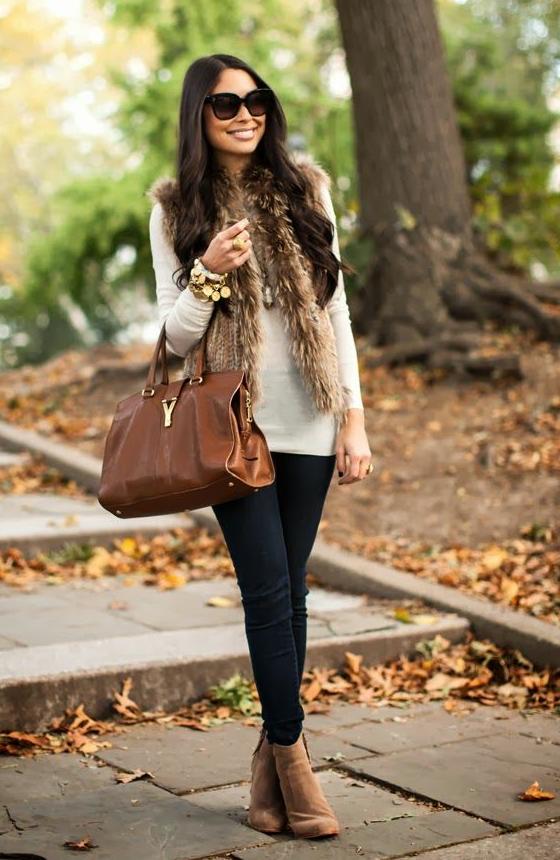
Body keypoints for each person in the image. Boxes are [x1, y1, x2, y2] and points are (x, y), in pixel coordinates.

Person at [148, 53, 372, 841]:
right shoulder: (177, 207)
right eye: (226, 104)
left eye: (257, 99)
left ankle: (268, 768)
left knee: (292, 592)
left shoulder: (307, 189)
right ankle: (296, 757)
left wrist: (354, 416)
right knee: (269, 591)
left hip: (310, 418)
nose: (247, 113)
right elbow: (172, 343)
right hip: (232, 428)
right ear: (198, 116)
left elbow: (336, 313)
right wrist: (205, 272)